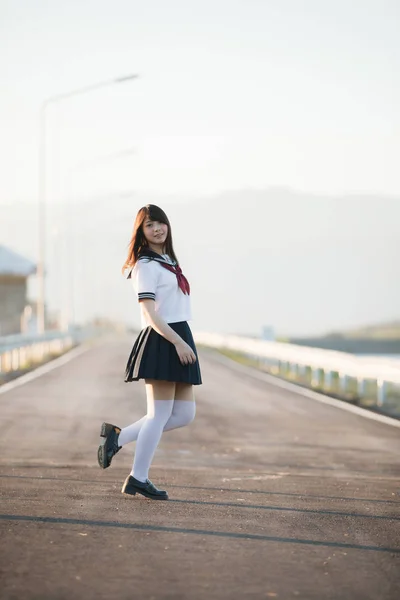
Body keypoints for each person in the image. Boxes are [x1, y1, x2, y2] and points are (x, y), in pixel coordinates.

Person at [97, 204, 202, 500]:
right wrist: (178, 343)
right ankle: (137, 478)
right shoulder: (145, 265)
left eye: (161, 223)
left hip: (179, 333)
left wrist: (183, 340)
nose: (157, 229)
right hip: (163, 338)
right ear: (141, 232)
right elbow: (149, 313)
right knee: (158, 415)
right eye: (149, 225)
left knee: (184, 414)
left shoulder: (167, 260)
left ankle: (118, 438)